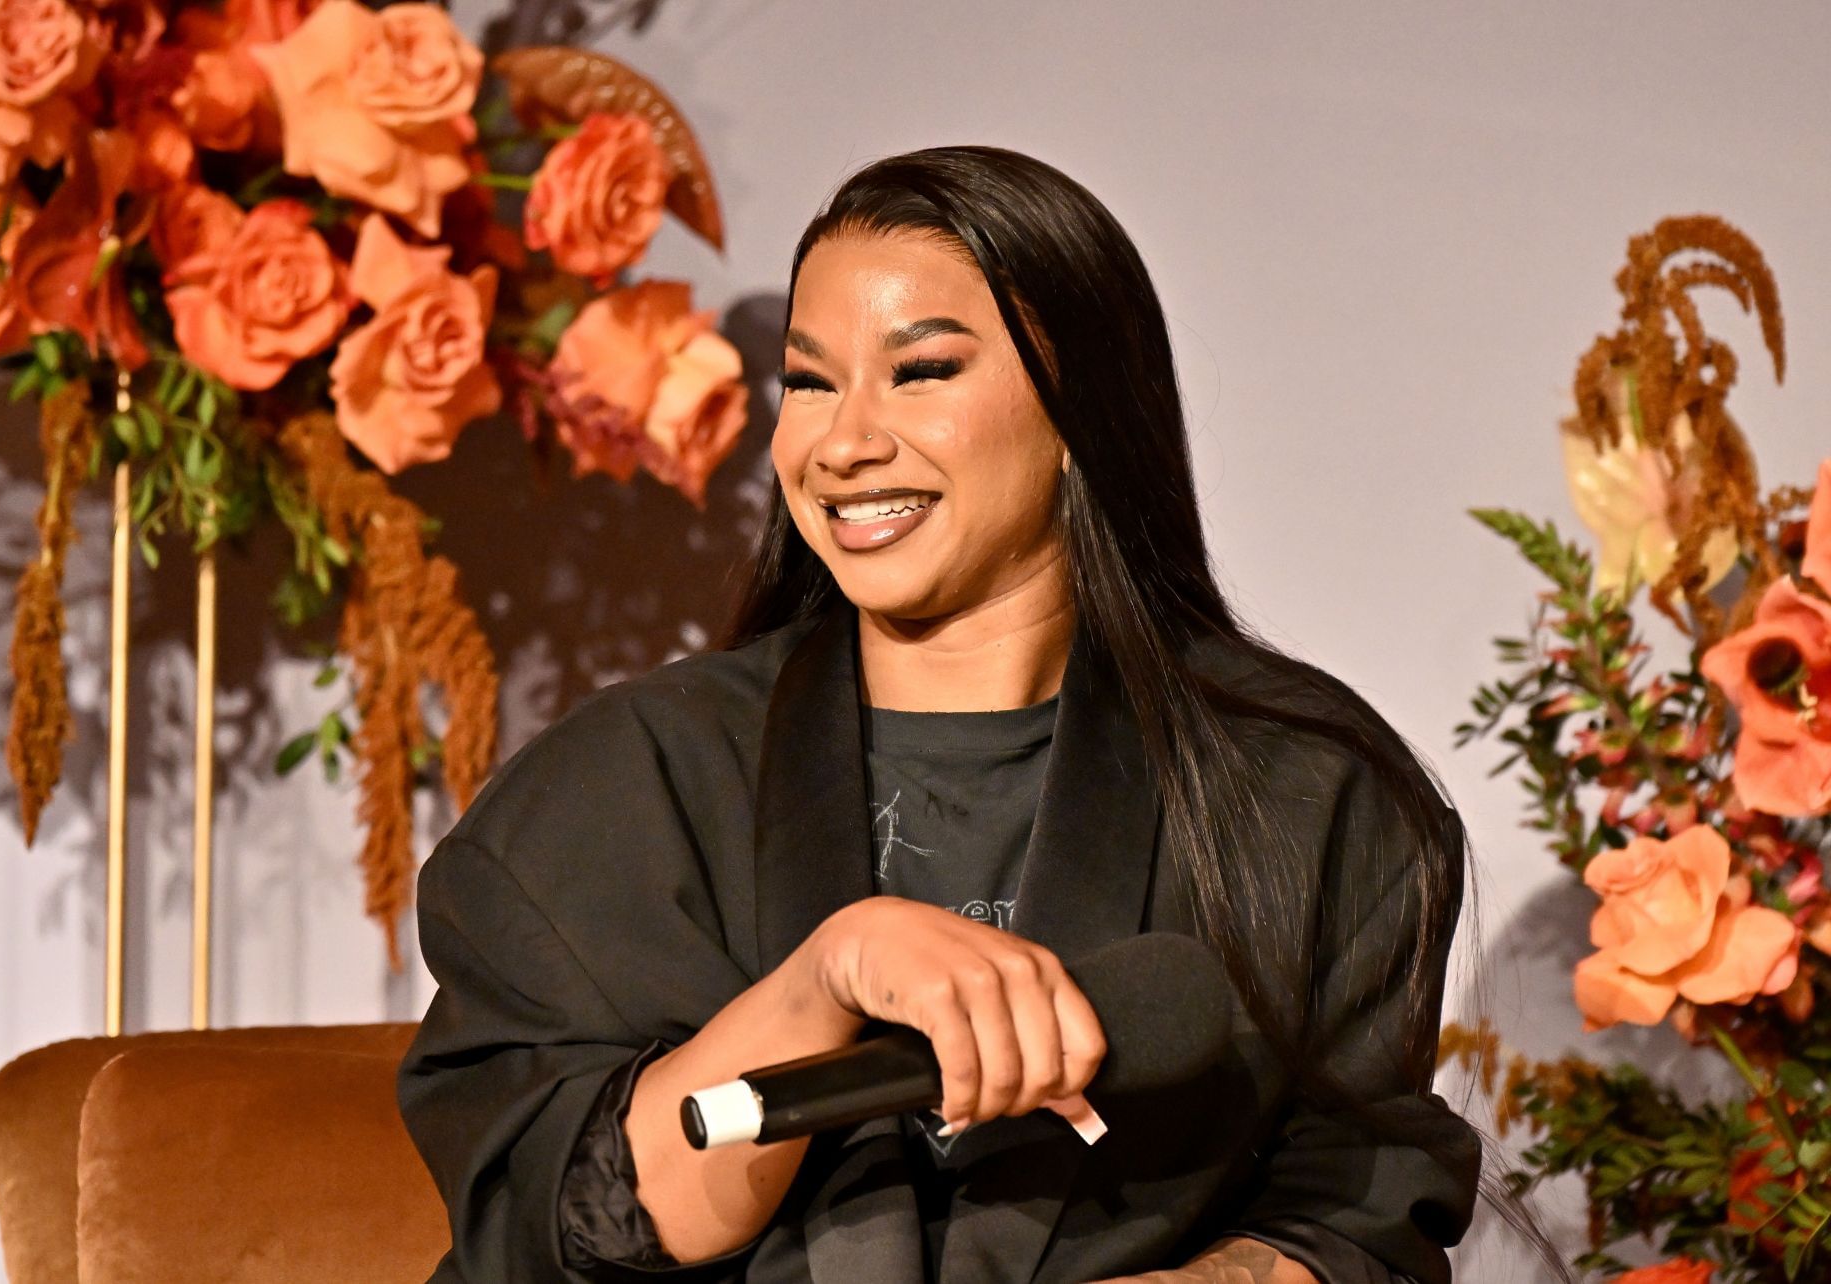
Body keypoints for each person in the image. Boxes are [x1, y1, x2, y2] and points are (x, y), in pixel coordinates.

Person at [397, 144, 1482, 1284]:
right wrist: (824, 981)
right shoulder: (627, 782)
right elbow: (560, 1222)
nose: (845, 441)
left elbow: (1358, 1197)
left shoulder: (1304, 790)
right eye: (810, 383)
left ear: (1081, 412)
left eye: (921, 373)